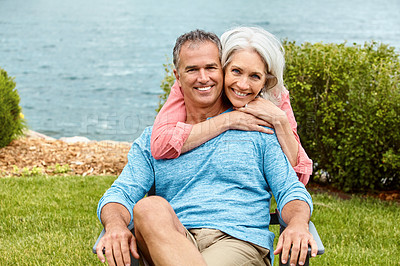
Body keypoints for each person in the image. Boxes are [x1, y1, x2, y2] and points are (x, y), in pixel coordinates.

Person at [96, 29, 317, 266]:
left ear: (221, 71)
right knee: (149, 207)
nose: (203, 78)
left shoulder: (258, 130)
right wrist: (116, 225)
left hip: (238, 242)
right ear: (177, 76)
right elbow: (120, 193)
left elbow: (290, 189)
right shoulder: (155, 140)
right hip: (172, 241)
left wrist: (297, 224)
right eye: (192, 70)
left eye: (211, 68)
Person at [151, 27, 312, 184]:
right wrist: (229, 120)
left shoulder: (276, 96)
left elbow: (299, 179)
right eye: (236, 71)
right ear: (223, 68)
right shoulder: (187, 89)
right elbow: (161, 145)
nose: (242, 85)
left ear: (266, 81)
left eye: (255, 76)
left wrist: (280, 120)